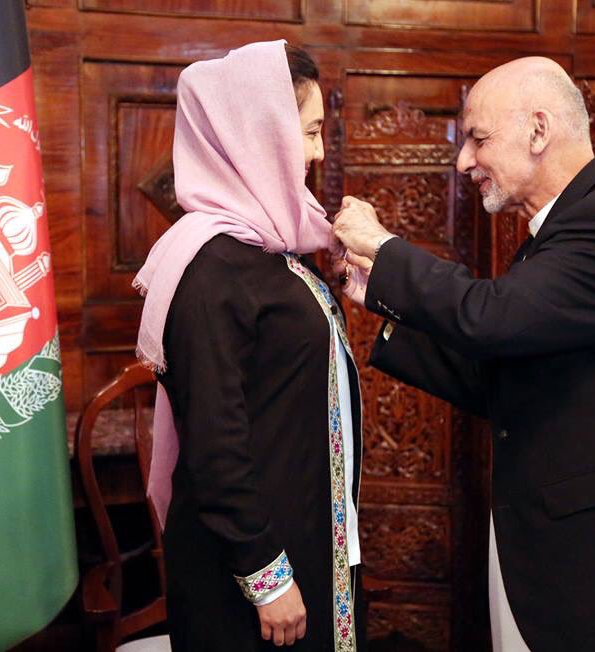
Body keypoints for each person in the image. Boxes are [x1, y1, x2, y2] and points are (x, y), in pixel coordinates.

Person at [332, 57, 595, 651]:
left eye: (478, 138)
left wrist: (385, 249)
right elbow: (504, 371)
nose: (464, 161)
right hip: (559, 555)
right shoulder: (566, 226)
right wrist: (383, 307)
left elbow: (491, 316)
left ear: (539, 131)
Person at [133, 41, 365, 651]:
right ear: (259, 135)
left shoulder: (272, 251)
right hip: (250, 571)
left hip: (304, 530)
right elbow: (215, 441)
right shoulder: (208, 267)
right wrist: (265, 576)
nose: (318, 151)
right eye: (309, 132)